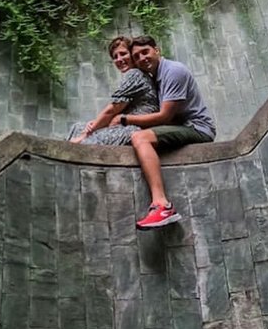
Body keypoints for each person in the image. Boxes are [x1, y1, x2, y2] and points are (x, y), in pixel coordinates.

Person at [112, 35, 215, 229]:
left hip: (198, 128)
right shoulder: (155, 76)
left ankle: (162, 205)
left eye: (146, 52)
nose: (142, 58)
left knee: (139, 137)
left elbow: (165, 117)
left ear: (157, 50)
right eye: (137, 56)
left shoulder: (173, 71)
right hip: (182, 125)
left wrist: (124, 119)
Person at [66, 36, 159, 146]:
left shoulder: (135, 74)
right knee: (78, 127)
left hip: (136, 128)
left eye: (123, 54)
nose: (119, 59)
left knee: (86, 140)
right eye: (115, 57)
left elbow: (113, 109)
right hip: (124, 125)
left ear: (132, 55)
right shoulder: (136, 74)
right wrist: (95, 124)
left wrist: (85, 135)